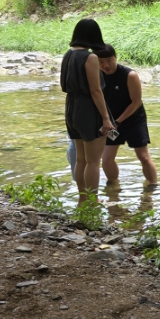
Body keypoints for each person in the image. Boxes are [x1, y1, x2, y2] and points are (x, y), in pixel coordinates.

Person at [60, 19, 113, 204]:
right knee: (93, 161)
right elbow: (95, 90)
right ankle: (93, 200)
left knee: (81, 159)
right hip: (88, 109)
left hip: (71, 107)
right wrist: (106, 118)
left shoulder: (68, 54)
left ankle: (83, 199)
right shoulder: (89, 57)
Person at [96, 44, 158, 187]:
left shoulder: (130, 75)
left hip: (133, 120)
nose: (106, 65)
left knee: (143, 156)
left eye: (109, 60)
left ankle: (153, 186)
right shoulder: (97, 77)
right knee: (106, 158)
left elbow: (136, 102)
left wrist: (117, 121)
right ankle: (114, 187)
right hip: (111, 122)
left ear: (116, 58)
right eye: (101, 62)